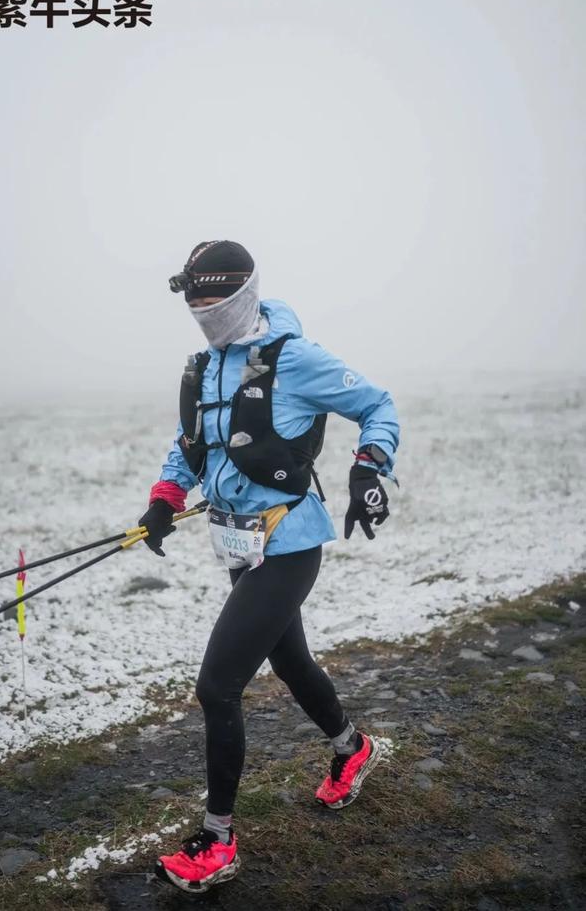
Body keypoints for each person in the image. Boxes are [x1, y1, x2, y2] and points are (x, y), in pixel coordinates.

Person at [138, 240, 400, 893]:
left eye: (213, 300)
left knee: (217, 685)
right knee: (290, 661)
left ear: (243, 295)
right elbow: (191, 441)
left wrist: (369, 469)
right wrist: (165, 498)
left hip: (289, 544)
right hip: (236, 542)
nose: (203, 311)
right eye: (193, 301)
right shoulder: (206, 367)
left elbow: (376, 404)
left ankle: (217, 839)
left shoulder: (295, 359)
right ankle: (350, 746)